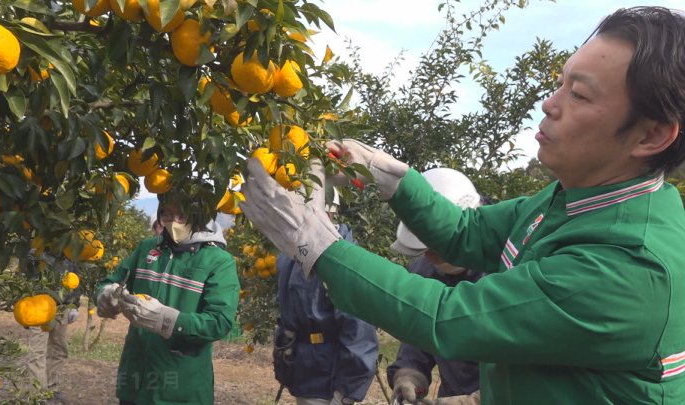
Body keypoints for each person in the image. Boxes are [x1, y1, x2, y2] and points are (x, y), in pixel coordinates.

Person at [240, 6, 685, 404]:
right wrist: (394, 181)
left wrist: (317, 245)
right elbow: (466, 233)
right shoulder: (571, 199)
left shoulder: (630, 266)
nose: (549, 104)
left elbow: (447, 316)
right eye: (559, 84)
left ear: (650, 135)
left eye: (579, 95)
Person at [95, 188, 240, 405]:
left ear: (199, 216)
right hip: (135, 380)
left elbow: (219, 322)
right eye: (167, 214)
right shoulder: (146, 248)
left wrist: (167, 320)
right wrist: (106, 294)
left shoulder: (218, 261)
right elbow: (110, 281)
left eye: (182, 215)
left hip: (181, 387)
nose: (174, 222)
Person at [385, 168, 483, 405]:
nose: (431, 257)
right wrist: (409, 373)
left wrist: (480, 400)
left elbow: (535, 367)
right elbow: (420, 333)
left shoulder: (512, 266)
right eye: (424, 250)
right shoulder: (425, 272)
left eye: (436, 248)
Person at [273, 187, 378, 405]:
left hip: (328, 378)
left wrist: (345, 393)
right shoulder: (290, 256)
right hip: (303, 371)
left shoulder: (344, 262)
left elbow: (358, 330)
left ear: (327, 213)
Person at [21, 252, 81, 403]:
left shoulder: (68, 251)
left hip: (62, 307)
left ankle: (52, 389)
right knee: (38, 351)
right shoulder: (35, 252)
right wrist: (24, 311)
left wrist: (75, 304)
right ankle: (38, 393)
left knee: (59, 350)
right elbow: (24, 279)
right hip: (38, 307)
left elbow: (75, 278)